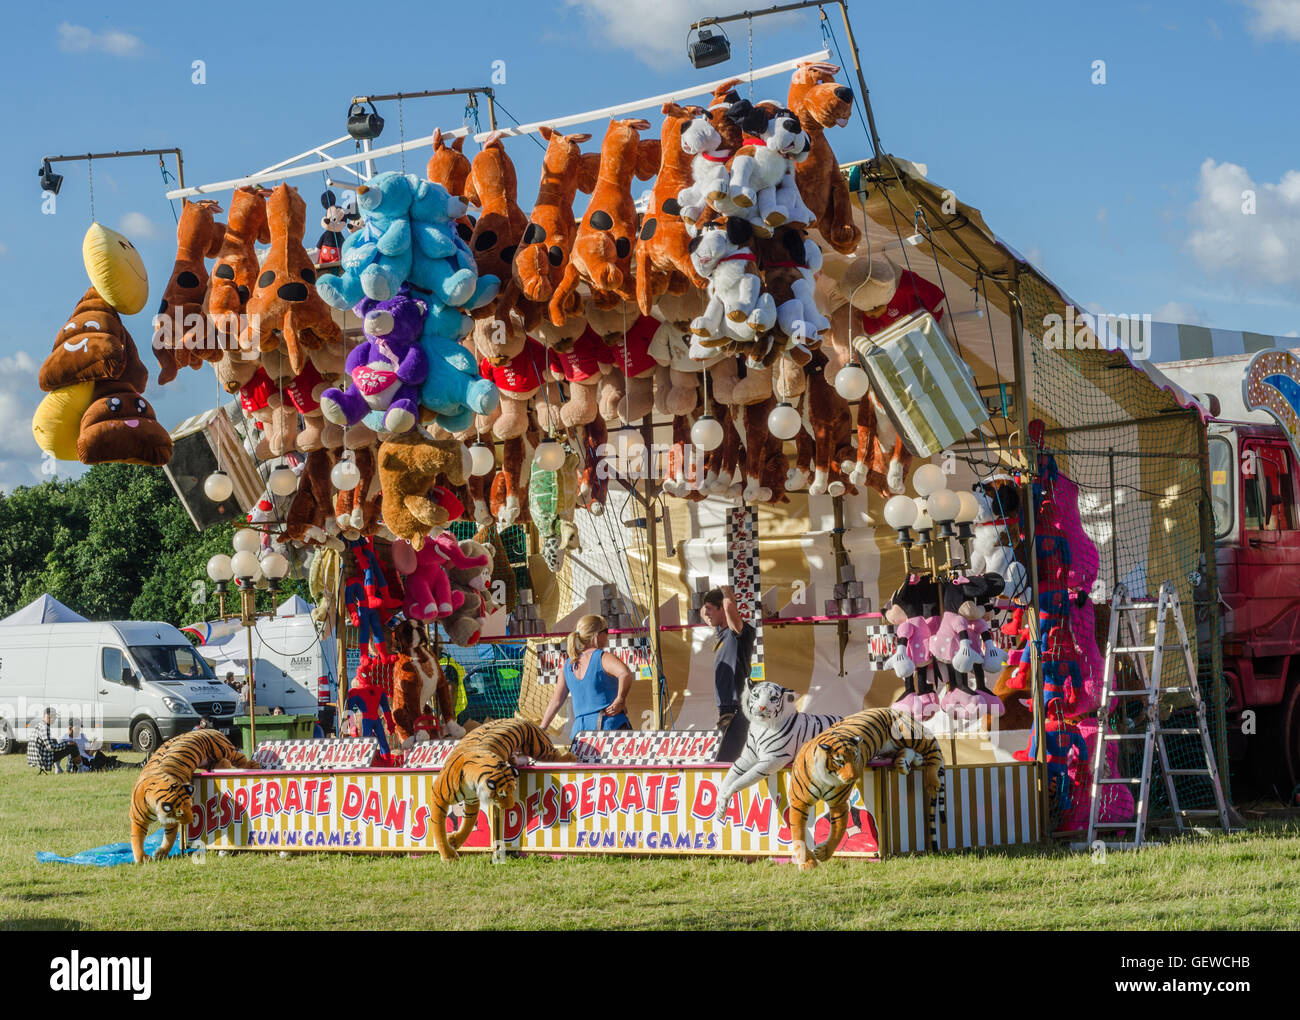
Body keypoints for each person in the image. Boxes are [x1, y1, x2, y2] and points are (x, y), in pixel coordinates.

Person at [540, 615, 634, 733]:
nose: (608, 635)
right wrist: (620, 699)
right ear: (598, 634)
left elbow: (556, 701)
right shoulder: (602, 657)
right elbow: (625, 674)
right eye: (606, 631)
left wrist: (542, 728)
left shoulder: (568, 664)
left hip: (580, 732)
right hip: (608, 727)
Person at [699, 585, 756, 739]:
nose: (707, 614)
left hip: (737, 706)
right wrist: (707, 598)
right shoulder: (721, 631)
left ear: (722, 609)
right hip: (726, 707)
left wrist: (726, 593)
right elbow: (704, 615)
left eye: (710, 609)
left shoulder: (738, 632)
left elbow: (730, 607)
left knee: (733, 755)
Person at [27, 708, 84, 774]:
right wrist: (68, 743)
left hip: (34, 758)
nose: (55, 718)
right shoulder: (45, 728)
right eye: (54, 716)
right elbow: (51, 747)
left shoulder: (39, 725)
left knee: (54, 741)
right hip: (43, 759)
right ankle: (80, 769)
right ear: (50, 716)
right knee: (73, 746)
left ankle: (58, 768)